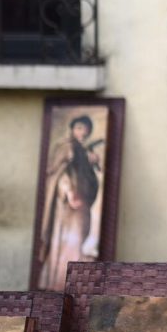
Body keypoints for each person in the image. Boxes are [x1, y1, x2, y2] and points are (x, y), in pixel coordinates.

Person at [38, 114, 101, 291]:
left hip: (82, 204)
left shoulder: (83, 151)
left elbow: (88, 177)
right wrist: (69, 192)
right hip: (69, 203)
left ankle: (70, 285)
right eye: (79, 127)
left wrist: (93, 163)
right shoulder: (67, 147)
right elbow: (58, 173)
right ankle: (58, 284)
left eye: (86, 129)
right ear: (73, 129)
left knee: (79, 240)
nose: (83, 131)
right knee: (67, 241)